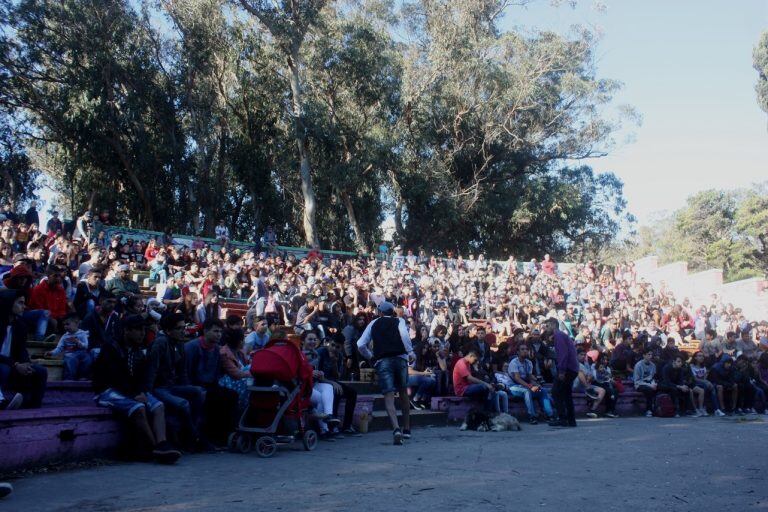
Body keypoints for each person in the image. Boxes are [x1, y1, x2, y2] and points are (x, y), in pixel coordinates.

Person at [92, 314, 181, 464]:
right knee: (138, 407)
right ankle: (154, 448)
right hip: (107, 391)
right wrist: (134, 394)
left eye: (143, 330)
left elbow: (141, 376)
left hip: (131, 390)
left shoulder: (138, 350)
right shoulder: (111, 347)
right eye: (138, 330)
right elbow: (115, 378)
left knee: (158, 406)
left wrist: (140, 391)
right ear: (127, 330)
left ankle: (162, 443)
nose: (142, 334)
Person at [357, 301, 415, 445]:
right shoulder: (399, 321)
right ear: (392, 312)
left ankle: (396, 428)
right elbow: (404, 336)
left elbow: (360, 344)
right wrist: (410, 351)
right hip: (400, 358)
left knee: (389, 395)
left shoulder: (373, 323)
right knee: (403, 393)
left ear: (380, 312)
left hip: (382, 360)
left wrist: (371, 356)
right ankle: (407, 428)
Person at [148, 313, 208, 452]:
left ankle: (194, 432)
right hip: (159, 387)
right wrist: (147, 391)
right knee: (183, 404)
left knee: (199, 392)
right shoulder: (160, 343)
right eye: (179, 328)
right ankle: (193, 436)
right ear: (169, 330)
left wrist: (187, 387)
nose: (184, 331)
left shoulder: (179, 343)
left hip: (172, 386)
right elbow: (152, 370)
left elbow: (183, 373)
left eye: (184, 328)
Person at [184, 318, 238, 445]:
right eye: (215, 331)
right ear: (206, 331)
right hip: (194, 385)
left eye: (220, 332)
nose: (219, 334)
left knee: (231, 395)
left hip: (211, 385)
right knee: (213, 399)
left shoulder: (218, 349)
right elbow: (186, 372)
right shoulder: (191, 347)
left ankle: (224, 436)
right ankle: (207, 437)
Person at [0, 289, 48, 408]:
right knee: (3, 368)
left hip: (12, 364)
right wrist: (16, 364)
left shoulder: (20, 325)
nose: (24, 306)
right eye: (20, 303)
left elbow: (21, 349)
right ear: (8, 303)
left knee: (40, 371)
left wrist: (26, 362)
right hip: (4, 365)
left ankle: (32, 405)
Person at [505, 343, 554, 424]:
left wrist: (536, 382)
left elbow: (529, 377)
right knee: (527, 392)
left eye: (526, 349)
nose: (525, 351)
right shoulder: (514, 362)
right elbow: (517, 378)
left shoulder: (528, 363)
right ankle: (532, 416)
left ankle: (550, 415)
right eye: (522, 349)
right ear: (518, 352)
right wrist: (529, 386)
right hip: (514, 387)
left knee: (542, 391)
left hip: (526, 386)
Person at [545, 317, 579, 427]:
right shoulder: (561, 335)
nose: (546, 328)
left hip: (567, 369)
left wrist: (562, 371)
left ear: (554, 325)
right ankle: (571, 420)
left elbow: (563, 354)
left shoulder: (558, 336)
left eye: (548, 326)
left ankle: (562, 418)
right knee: (566, 394)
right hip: (573, 368)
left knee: (556, 392)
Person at [45, 313, 92, 380]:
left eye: (67, 324)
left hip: (82, 352)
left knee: (87, 359)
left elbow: (86, 345)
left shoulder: (82, 334)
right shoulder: (65, 336)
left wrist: (78, 342)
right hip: (70, 353)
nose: (65, 326)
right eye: (64, 325)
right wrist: (52, 353)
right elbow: (59, 348)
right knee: (70, 360)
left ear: (76, 323)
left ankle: (83, 377)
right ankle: (69, 379)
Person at [573, 349, 606, 418]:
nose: (583, 356)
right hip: (575, 384)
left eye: (584, 355)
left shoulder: (586, 364)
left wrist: (590, 377)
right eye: (581, 355)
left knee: (602, 390)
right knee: (580, 373)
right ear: (576, 355)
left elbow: (591, 376)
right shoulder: (573, 363)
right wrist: (587, 376)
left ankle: (592, 410)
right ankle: (588, 389)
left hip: (585, 384)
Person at [689, 351, 719, 416]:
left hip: (702, 384)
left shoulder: (704, 367)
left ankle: (716, 409)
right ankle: (701, 408)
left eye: (702, 356)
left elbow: (704, 378)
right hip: (693, 384)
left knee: (713, 387)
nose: (702, 357)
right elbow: (695, 379)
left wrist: (706, 381)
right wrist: (706, 382)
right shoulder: (691, 366)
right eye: (699, 356)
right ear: (695, 358)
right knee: (706, 386)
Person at [633, 348, 658, 417]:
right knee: (649, 390)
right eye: (648, 354)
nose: (650, 356)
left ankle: (657, 408)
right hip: (640, 384)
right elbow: (637, 380)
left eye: (651, 354)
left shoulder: (653, 365)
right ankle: (648, 410)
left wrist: (654, 383)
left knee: (660, 388)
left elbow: (653, 377)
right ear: (644, 355)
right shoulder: (638, 365)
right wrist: (649, 385)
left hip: (650, 383)